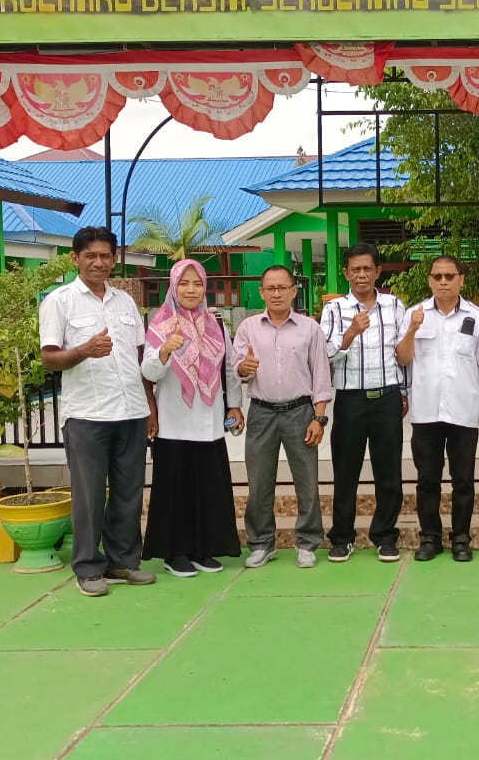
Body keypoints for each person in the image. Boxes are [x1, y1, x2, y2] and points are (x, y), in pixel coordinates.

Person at [39, 227, 156, 597]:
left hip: (131, 411)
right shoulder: (59, 301)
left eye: (105, 256)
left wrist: (150, 409)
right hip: (87, 414)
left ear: (114, 259)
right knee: (89, 495)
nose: (99, 262)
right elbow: (48, 359)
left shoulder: (125, 303)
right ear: (75, 258)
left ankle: (122, 560)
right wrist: (84, 351)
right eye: (90, 255)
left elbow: (141, 359)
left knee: (128, 491)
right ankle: (89, 568)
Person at [140, 259, 243, 578]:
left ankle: (204, 548)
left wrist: (234, 406)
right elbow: (147, 372)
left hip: (209, 421)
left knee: (207, 487)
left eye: (197, 283)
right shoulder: (160, 325)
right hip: (174, 421)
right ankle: (175, 552)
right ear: (173, 285)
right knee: (176, 489)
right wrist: (164, 352)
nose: (191, 289)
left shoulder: (215, 325)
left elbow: (229, 369)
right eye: (183, 283)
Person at [396, 256, 479, 561]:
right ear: (429, 280)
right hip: (426, 411)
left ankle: (461, 538)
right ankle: (430, 538)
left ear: (461, 280)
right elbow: (402, 358)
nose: (443, 282)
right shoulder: (414, 314)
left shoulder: (477, 317)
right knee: (427, 479)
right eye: (438, 276)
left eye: (449, 276)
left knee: (463, 480)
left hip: (464, 411)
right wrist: (412, 330)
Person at [232, 265, 333, 570]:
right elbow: (235, 367)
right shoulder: (248, 327)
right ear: (261, 292)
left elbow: (321, 376)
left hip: (300, 412)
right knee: (259, 481)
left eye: (282, 287)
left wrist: (319, 418)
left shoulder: (309, 328)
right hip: (262, 413)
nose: (276, 293)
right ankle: (262, 543)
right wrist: (243, 368)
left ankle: (307, 542)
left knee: (307, 481)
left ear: (293, 290)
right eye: (270, 288)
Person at [320, 242, 409, 563]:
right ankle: (342, 537)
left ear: (378, 271)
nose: (361, 275)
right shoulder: (333, 310)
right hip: (350, 400)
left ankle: (385, 536)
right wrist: (349, 335)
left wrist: (404, 391)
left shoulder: (394, 306)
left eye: (367, 269)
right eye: (355, 269)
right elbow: (324, 354)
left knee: (389, 472)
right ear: (346, 273)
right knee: (346, 472)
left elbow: (402, 355)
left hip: (386, 397)